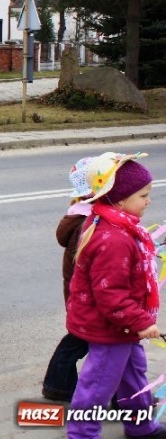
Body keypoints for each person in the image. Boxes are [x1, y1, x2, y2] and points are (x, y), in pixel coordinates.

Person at [65, 153, 164, 438]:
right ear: (119, 199)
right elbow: (110, 294)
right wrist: (141, 322)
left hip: (124, 325)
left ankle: (141, 426)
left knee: (133, 375)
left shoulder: (116, 224)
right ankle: (81, 434)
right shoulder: (114, 238)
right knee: (97, 385)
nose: (148, 200)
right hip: (110, 326)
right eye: (143, 195)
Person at [41, 156, 95, 402]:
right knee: (82, 340)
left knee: (84, 340)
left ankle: (59, 385)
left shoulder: (82, 218)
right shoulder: (87, 225)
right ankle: (58, 385)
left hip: (83, 297)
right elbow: (81, 268)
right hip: (87, 298)